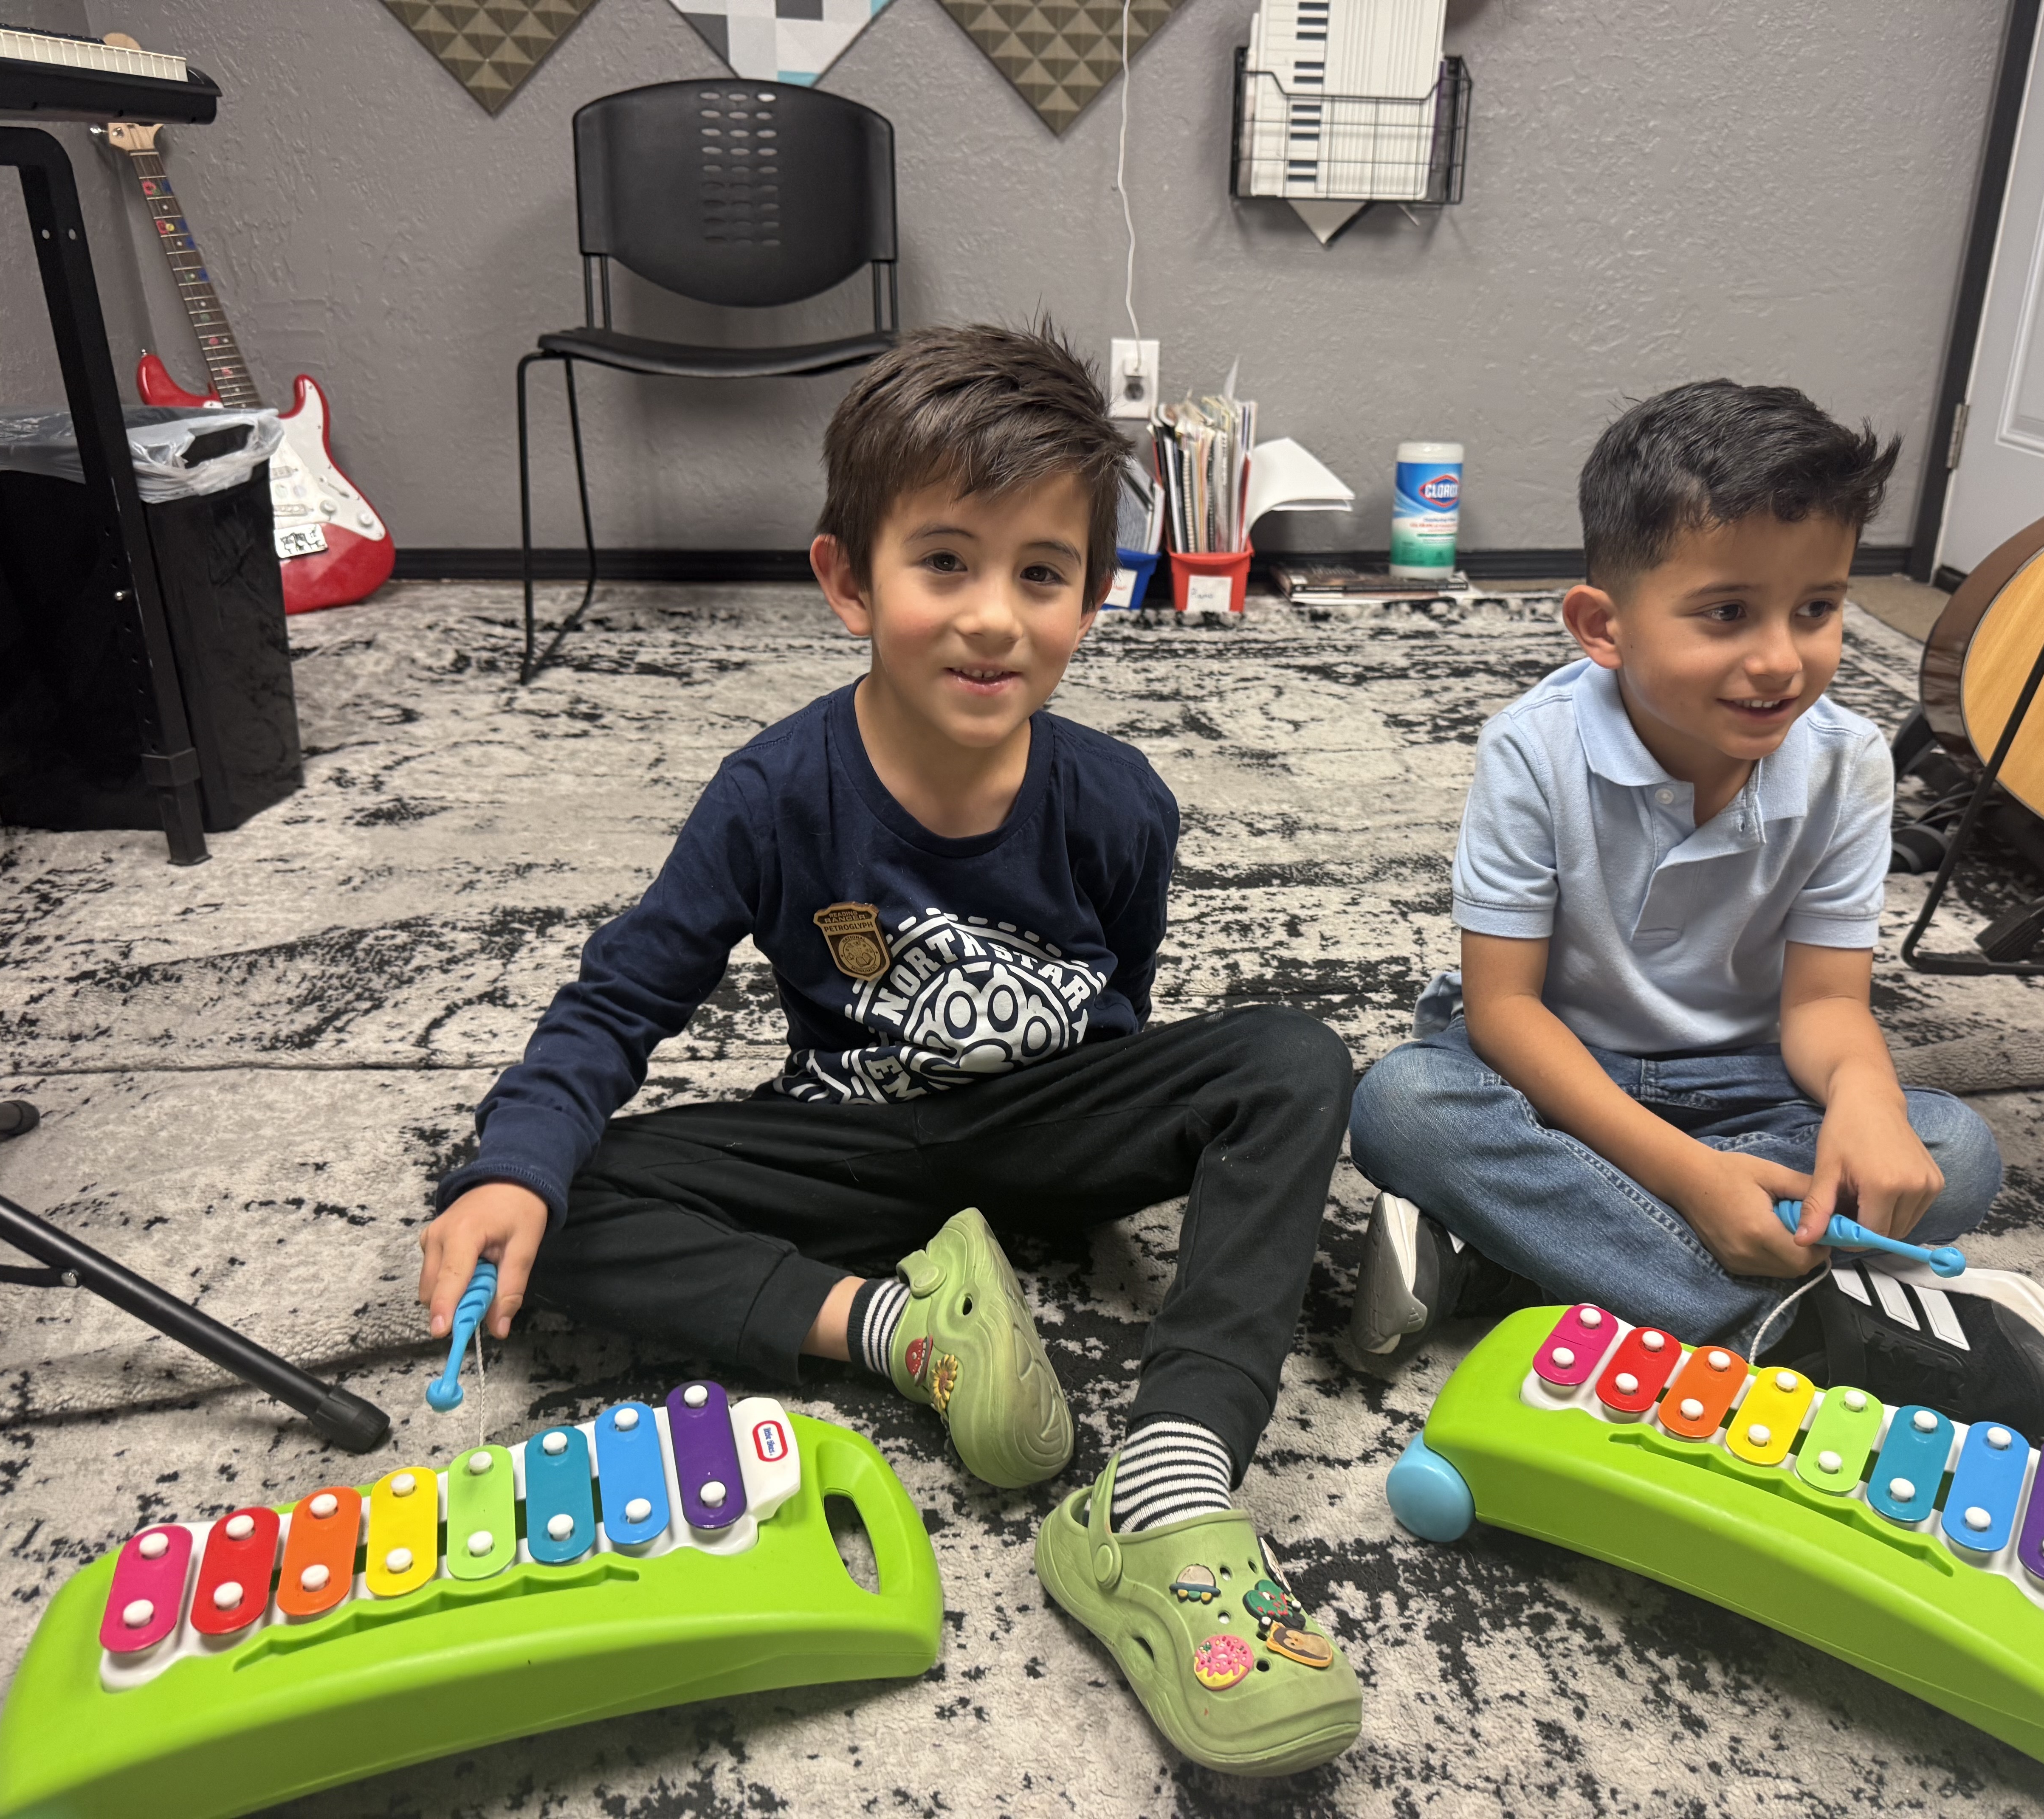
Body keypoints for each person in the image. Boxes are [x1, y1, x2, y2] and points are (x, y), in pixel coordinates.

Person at [414, 324, 1362, 1774]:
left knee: (1292, 1061)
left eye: (1040, 573)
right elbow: (622, 997)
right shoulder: (772, 794)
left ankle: (1167, 1489)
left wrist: (1121, 1131)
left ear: (1093, 594)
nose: (994, 618)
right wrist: (517, 1167)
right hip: (851, 1153)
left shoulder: (1121, 805)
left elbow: (1125, 999)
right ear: (847, 580)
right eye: (945, 565)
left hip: (1053, 1138)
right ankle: (901, 1329)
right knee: (538, 1194)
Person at [1346, 380, 2044, 1439]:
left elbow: (1827, 1005)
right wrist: (1694, 1184)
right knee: (1405, 1104)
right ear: (1603, 627)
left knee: (1952, 1152)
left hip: (1746, 1087)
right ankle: (1795, 1327)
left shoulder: (1850, 763)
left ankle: (1502, 1262)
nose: (1782, 659)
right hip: (1558, 1074)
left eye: (1818, 610)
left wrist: (1868, 1101)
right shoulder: (1533, 749)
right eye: (1728, 613)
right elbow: (1504, 1010)